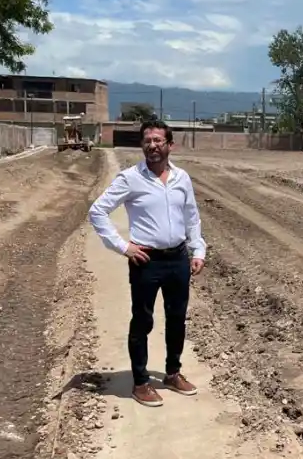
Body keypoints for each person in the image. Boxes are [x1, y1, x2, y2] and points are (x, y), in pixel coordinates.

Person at [88, 119, 207, 407]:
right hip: (147, 261)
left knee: (177, 319)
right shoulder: (130, 178)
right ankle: (140, 382)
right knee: (143, 320)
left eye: (158, 140)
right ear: (142, 145)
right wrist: (123, 247)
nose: (152, 145)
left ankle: (172, 373)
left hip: (178, 258)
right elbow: (97, 211)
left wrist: (198, 250)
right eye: (147, 141)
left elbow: (191, 217)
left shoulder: (182, 178)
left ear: (170, 145)